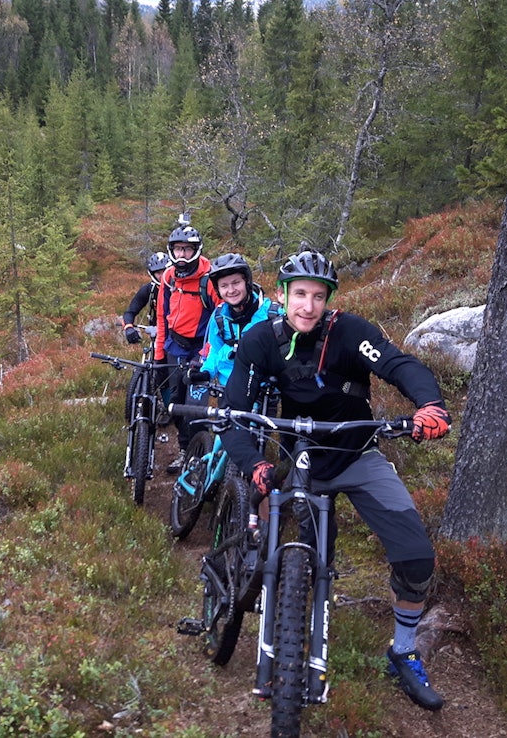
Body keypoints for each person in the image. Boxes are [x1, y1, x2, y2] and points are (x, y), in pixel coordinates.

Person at [220, 248, 451, 712]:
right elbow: (234, 415)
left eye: (318, 296)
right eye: (299, 294)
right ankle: (266, 594)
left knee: (416, 558)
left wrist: (430, 405)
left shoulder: (352, 332)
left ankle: (403, 652)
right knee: (294, 545)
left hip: (356, 453)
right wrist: (253, 464)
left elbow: (398, 364)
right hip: (297, 453)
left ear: (329, 299)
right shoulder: (260, 340)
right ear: (282, 295)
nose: (307, 306)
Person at [155, 221, 218, 473]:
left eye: (187, 249)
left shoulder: (209, 279)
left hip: (200, 351)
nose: (182, 254)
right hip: (175, 346)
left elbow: (221, 319)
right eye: (178, 249)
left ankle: (199, 456)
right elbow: (162, 315)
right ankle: (184, 450)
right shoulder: (169, 277)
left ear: (197, 250)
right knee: (177, 402)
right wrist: (160, 352)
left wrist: (210, 355)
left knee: (196, 407)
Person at [184, 252, 276, 388]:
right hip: (227, 389)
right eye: (224, 286)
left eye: (236, 282)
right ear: (217, 290)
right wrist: (206, 372)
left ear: (247, 282)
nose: (231, 290)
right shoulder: (219, 317)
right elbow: (215, 350)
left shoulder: (272, 315)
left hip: (263, 392)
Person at [121, 251, 170, 345]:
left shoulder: (179, 289)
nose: (162, 275)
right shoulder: (149, 289)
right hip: (157, 333)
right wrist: (128, 327)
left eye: (165, 271)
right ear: (152, 273)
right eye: (158, 273)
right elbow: (130, 312)